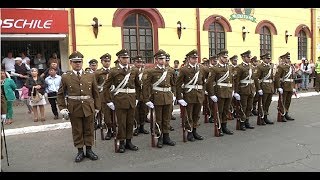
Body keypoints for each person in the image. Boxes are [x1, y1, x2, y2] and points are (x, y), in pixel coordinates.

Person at [57, 51, 101, 162]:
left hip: (88, 106)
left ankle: (89, 150)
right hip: (74, 107)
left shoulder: (90, 75)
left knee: (89, 129)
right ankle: (80, 151)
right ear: (71, 63)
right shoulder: (66, 76)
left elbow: (96, 93)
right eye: (75, 62)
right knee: (77, 130)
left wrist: (97, 107)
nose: (78, 64)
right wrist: (62, 108)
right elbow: (60, 94)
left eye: (80, 62)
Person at [104, 49, 140, 153]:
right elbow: (106, 87)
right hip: (119, 100)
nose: (126, 60)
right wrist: (109, 101)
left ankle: (129, 141)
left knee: (130, 122)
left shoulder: (134, 70)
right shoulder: (113, 71)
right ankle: (122, 142)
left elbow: (138, 86)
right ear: (119, 59)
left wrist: (137, 98)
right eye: (123, 58)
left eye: (127, 58)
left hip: (131, 100)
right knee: (121, 123)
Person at [143, 49, 176, 148]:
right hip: (157, 97)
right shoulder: (151, 71)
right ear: (156, 60)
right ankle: (159, 137)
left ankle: (167, 136)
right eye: (161, 59)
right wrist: (146, 100)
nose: (163, 61)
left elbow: (173, 83)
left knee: (167, 119)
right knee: (159, 119)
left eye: (164, 59)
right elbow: (146, 86)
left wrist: (174, 94)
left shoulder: (170, 70)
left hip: (168, 97)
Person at [176, 49, 208, 142]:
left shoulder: (202, 68)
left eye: (196, 58)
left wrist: (203, 91)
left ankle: (194, 131)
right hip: (189, 95)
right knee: (189, 115)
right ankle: (189, 132)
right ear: (189, 59)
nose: (195, 60)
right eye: (193, 58)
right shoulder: (184, 69)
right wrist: (179, 97)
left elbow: (205, 80)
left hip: (199, 94)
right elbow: (178, 84)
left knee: (196, 114)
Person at [206, 50, 234, 136]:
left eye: (226, 57)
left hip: (228, 91)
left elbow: (232, 80)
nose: (226, 59)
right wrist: (211, 94)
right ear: (220, 58)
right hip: (220, 91)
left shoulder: (229, 67)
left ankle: (224, 126)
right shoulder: (215, 68)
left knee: (226, 110)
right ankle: (219, 127)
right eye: (224, 57)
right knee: (220, 111)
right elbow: (209, 82)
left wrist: (233, 90)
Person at [233, 50, 257, 131]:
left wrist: (255, 89)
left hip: (250, 89)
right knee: (243, 107)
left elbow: (254, 79)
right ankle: (242, 122)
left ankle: (247, 121)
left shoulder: (251, 67)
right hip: (243, 90)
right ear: (243, 57)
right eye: (247, 57)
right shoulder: (239, 67)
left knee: (249, 107)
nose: (249, 59)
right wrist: (235, 92)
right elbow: (236, 81)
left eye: (249, 57)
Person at [95, 53, 113, 140]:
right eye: (105, 61)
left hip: (113, 95)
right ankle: (109, 130)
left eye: (108, 61)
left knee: (115, 114)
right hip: (103, 96)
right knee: (107, 115)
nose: (107, 63)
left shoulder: (114, 71)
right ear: (101, 62)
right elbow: (95, 86)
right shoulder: (97, 72)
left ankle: (115, 129)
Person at [254, 52, 275, 125]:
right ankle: (261, 118)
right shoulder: (260, 67)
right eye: (267, 58)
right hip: (264, 87)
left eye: (269, 58)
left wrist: (273, 87)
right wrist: (259, 89)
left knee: (267, 103)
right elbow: (256, 78)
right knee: (262, 103)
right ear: (263, 59)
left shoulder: (270, 67)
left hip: (270, 87)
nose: (269, 60)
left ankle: (265, 117)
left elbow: (272, 78)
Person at [274, 52, 295, 121]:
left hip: (290, 86)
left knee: (288, 101)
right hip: (284, 85)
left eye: (289, 58)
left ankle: (286, 113)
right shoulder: (280, 66)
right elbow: (277, 77)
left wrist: (293, 87)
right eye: (287, 58)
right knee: (283, 101)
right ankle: (282, 114)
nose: (288, 59)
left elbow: (292, 77)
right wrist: (279, 87)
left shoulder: (290, 66)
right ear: (283, 59)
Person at [132, 55, 149, 136]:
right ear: (134, 63)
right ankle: (136, 127)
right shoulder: (131, 71)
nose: (139, 64)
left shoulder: (146, 72)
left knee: (143, 111)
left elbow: (149, 84)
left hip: (144, 95)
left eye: (141, 62)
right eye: (137, 62)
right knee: (136, 112)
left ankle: (142, 126)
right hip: (135, 95)